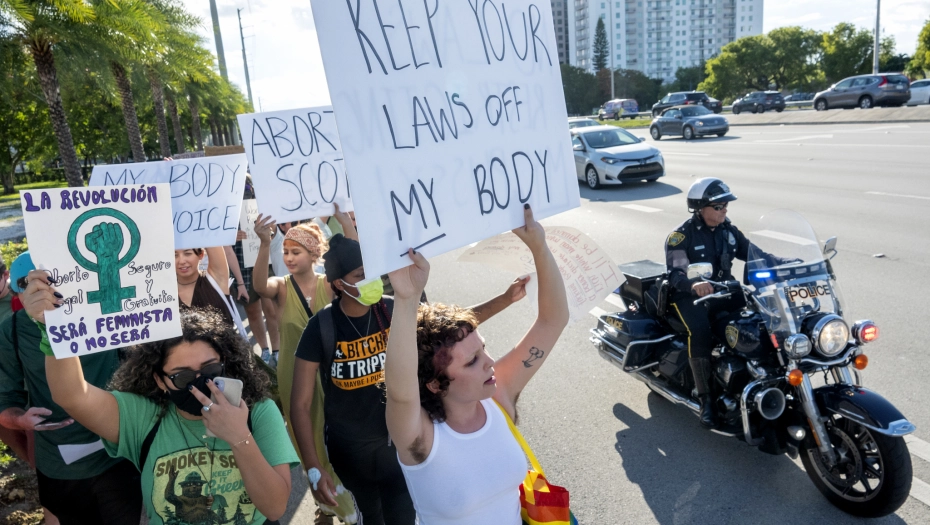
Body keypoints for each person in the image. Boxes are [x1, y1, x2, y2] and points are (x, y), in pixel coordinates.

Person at [290, 234, 529, 525]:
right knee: (370, 518)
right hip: (351, 452)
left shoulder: (397, 310)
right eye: (361, 275)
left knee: (403, 516)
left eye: (373, 271)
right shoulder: (321, 328)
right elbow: (300, 404)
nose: (372, 280)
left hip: (401, 444)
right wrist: (314, 468)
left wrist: (505, 299)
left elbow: (450, 333)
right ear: (340, 284)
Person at [21, 275, 300, 525]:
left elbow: (275, 508)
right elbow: (71, 395)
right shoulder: (144, 418)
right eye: (182, 376)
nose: (199, 383)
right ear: (160, 380)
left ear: (225, 362)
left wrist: (239, 437)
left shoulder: (257, 412)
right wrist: (52, 328)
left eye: (210, 369)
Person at [383, 204, 569, 525]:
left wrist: (538, 245)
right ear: (435, 383)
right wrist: (407, 298)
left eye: (483, 350)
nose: (490, 362)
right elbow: (400, 392)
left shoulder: (498, 399)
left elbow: (553, 320)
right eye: (472, 362)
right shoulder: (420, 437)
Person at [0, 253, 142, 525]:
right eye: (31, 286)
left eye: (50, 283)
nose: (43, 292)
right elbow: (5, 399)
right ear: (19, 293)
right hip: (58, 465)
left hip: (118, 455)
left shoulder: (104, 310)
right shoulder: (12, 332)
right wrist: (20, 420)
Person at [252, 214, 356, 525]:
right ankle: (326, 503)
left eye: (296, 252)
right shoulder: (281, 287)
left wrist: (345, 222)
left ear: (313, 254)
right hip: (294, 377)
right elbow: (259, 286)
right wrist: (265, 244)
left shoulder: (330, 284)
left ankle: (347, 500)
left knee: (340, 437)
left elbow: (358, 270)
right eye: (285, 252)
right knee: (307, 438)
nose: (288, 258)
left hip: (332, 372)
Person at [664, 178, 749, 428]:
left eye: (726, 205)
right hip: (689, 296)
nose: (725, 210)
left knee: (752, 325)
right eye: (719, 206)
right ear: (701, 208)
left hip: (723, 291)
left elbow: (755, 254)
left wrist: (786, 264)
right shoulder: (681, 236)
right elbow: (676, 273)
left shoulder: (728, 231)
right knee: (700, 331)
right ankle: (706, 400)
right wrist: (693, 285)